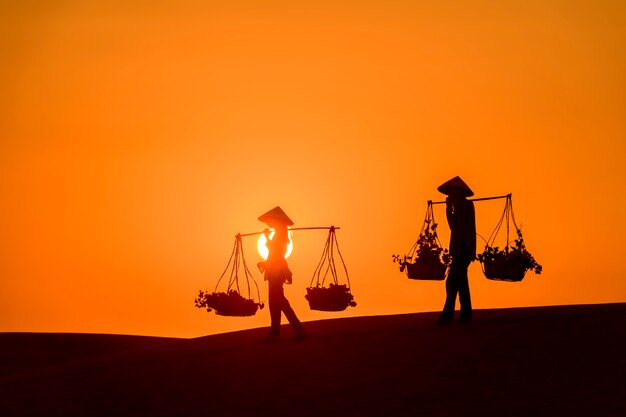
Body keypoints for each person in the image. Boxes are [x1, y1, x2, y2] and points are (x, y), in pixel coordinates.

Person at [257, 206, 307, 340]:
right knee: (277, 302)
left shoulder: (281, 234)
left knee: (278, 301)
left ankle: (288, 331)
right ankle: (281, 331)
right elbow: (273, 252)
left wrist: (266, 238)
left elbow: (276, 252)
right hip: (274, 269)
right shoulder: (280, 233)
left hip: (277, 271)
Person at [437, 176, 476, 322]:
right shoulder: (462, 206)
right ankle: (465, 314)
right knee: (461, 283)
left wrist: (448, 208)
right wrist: (450, 208)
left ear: (458, 193)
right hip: (461, 250)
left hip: (462, 250)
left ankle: (448, 315)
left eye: (452, 193)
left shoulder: (464, 206)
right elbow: (454, 226)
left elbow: (454, 226)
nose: (449, 196)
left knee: (452, 283)